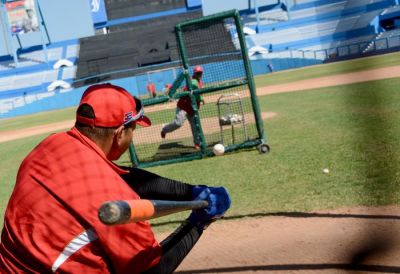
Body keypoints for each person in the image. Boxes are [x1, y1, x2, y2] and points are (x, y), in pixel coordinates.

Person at [0, 83, 231, 273]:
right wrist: (198, 224)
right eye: (133, 129)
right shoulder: (116, 197)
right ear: (120, 133)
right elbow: (152, 270)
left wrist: (190, 192)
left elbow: (127, 178)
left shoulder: (50, 146)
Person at [161, 66, 205, 150]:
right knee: (178, 123)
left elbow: (197, 94)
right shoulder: (192, 81)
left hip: (192, 108)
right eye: (197, 73)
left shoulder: (200, 82)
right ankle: (164, 129)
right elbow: (190, 89)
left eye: (200, 73)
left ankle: (197, 143)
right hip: (184, 106)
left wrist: (201, 99)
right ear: (194, 73)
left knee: (195, 126)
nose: (199, 74)